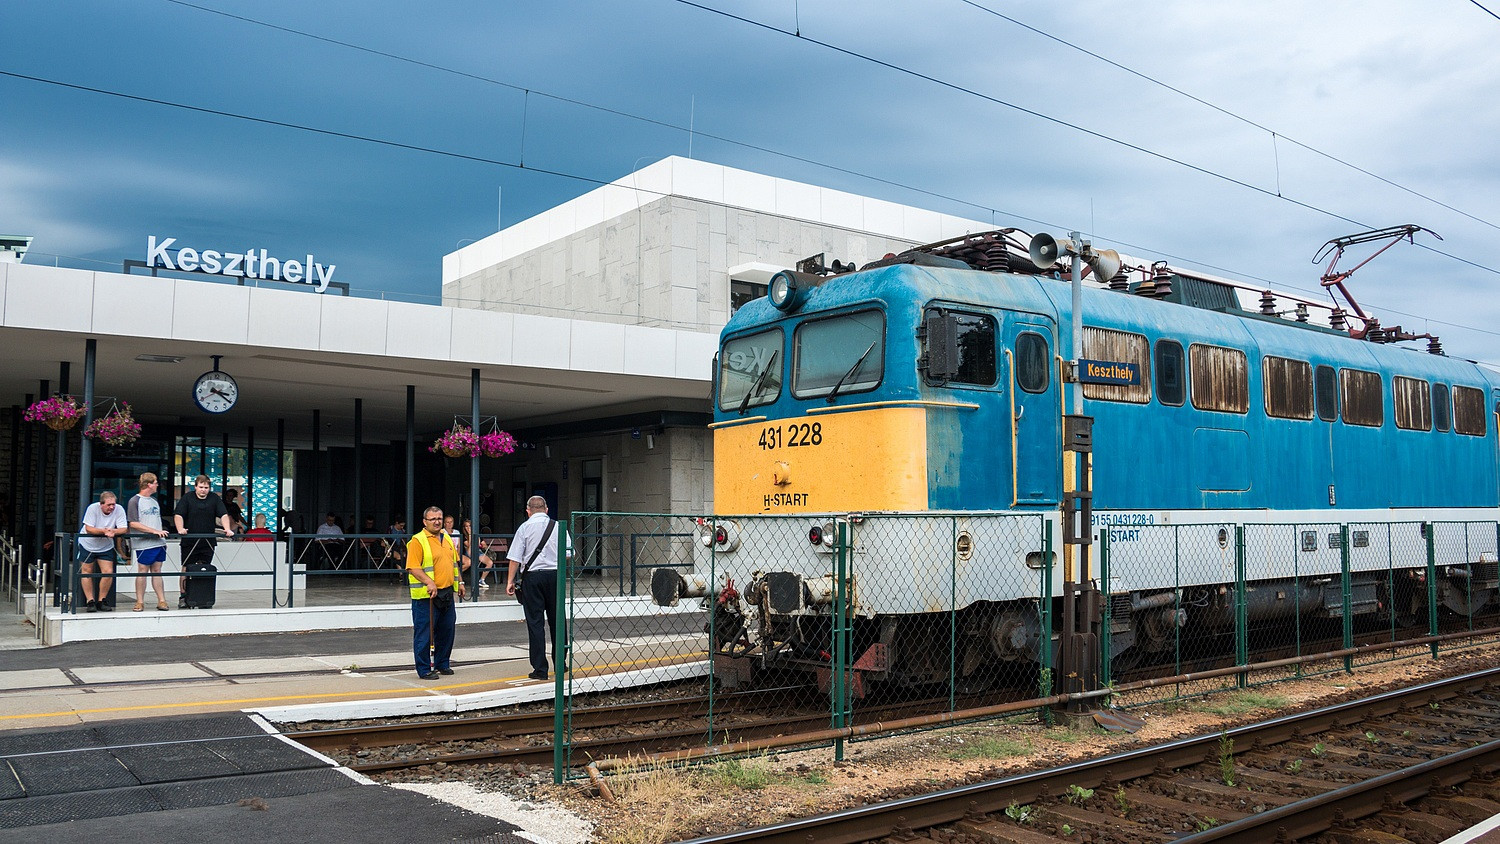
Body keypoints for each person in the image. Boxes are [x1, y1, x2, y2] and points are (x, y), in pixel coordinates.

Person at [506, 495, 569, 680]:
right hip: (555, 576)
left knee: (535, 622)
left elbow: (515, 558)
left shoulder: (524, 528)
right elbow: (569, 553)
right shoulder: (558, 526)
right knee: (558, 621)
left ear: (528, 511)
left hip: (532, 578)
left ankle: (540, 669)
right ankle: (560, 663)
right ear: (546, 509)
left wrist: (510, 581)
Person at [406, 506, 465, 679]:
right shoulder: (418, 541)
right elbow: (413, 567)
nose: (437, 522)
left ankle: (442, 663)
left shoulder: (446, 538)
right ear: (425, 522)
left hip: (446, 593)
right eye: (433, 519)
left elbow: (454, 563)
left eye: (439, 518)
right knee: (424, 634)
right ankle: (424, 669)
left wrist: (460, 582)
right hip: (427, 597)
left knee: (447, 631)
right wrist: (428, 581)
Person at [173, 475, 233, 608]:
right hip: (190, 541)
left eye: (206, 487)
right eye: (201, 487)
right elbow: (178, 515)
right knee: (186, 568)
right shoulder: (187, 498)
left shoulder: (214, 498)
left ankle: (203, 597)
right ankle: (183, 596)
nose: (203, 490)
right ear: (195, 487)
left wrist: (227, 529)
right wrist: (180, 528)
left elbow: (223, 514)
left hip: (208, 541)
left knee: (205, 568)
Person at [127, 473, 172, 611]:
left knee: (157, 570)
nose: (157, 484)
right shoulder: (134, 501)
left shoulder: (154, 501)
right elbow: (133, 523)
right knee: (142, 570)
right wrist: (153, 531)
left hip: (159, 542)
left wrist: (159, 533)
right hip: (144, 542)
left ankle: (162, 600)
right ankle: (139, 601)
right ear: (149, 484)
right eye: (155, 482)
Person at [79, 490, 127, 612]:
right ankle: (90, 601)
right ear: (101, 504)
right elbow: (89, 528)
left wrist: (114, 531)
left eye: (113, 504)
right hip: (87, 544)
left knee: (108, 572)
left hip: (106, 546)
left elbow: (123, 528)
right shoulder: (92, 508)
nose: (111, 507)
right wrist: (104, 531)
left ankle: (102, 600)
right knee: (86, 572)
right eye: (108, 505)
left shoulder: (119, 509)